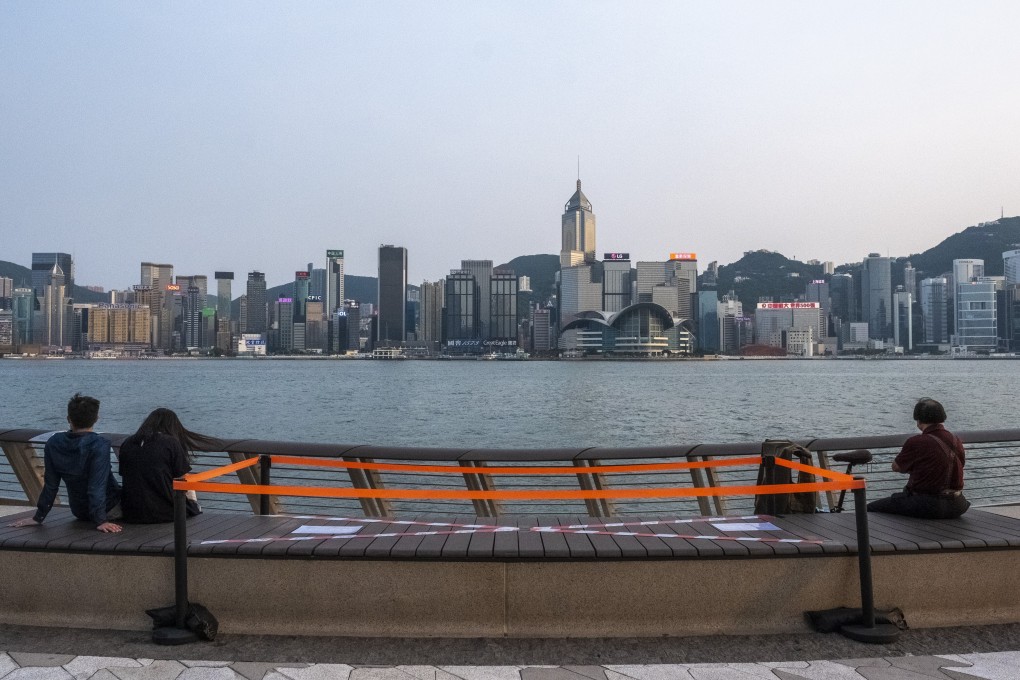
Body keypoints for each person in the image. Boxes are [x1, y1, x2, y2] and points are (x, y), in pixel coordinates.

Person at [8, 393, 122, 533]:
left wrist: (38, 517)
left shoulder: (54, 442)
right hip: (108, 509)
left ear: (68, 419)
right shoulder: (99, 444)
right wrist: (101, 520)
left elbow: (51, 485)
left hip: (79, 511)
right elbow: (96, 487)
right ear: (96, 419)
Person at [867, 398, 969, 519]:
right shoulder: (956, 440)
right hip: (958, 504)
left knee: (870, 508)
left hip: (929, 505)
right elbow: (960, 464)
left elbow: (896, 467)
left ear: (919, 421)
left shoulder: (917, 441)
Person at [119, 408, 218, 523]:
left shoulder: (127, 442)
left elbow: (124, 473)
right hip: (165, 511)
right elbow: (182, 478)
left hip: (132, 512)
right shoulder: (170, 443)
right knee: (186, 485)